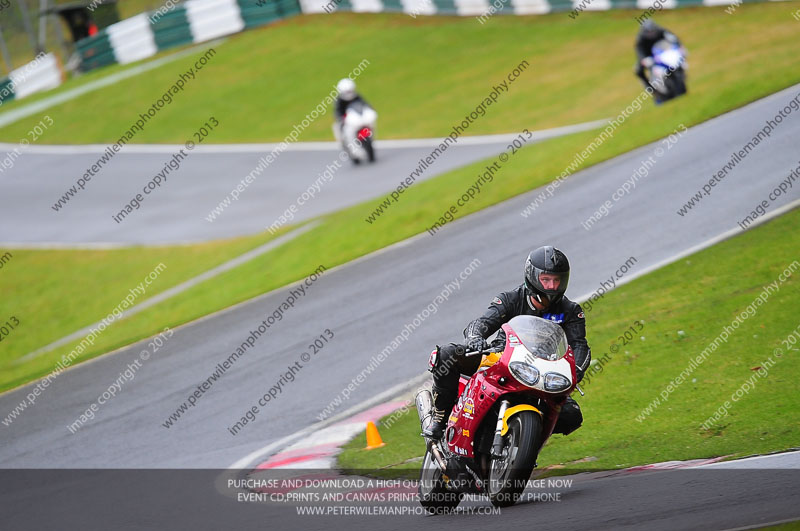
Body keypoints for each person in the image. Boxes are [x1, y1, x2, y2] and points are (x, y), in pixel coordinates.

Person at [423, 246, 591, 440]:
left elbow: (580, 345)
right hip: (501, 358)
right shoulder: (510, 299)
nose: (551, 287)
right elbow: (482, 323)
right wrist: (476, 338)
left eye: (556, 280)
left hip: (543, 372)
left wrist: (576, 369)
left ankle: (524, 440)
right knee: (445, 355)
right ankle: (440, 419)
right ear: (533, 277)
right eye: (546, 280)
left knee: (572, 416)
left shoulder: (571, 311)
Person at [634, 20, 681, 90]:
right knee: (638, 70)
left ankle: (680, 74)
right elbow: (640, 51)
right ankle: (648, 86)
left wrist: (678, 46)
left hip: (664, 53)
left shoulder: (661, 31)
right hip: (649, 57)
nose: (651, 33)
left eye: (652, 31)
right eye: (649, 32)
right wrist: (643, 59)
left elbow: (673, 39)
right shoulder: (640, 39)